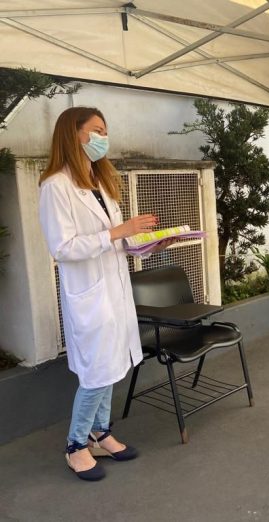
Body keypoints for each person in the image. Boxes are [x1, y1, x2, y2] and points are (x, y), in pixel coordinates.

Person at [39, 107, 164, 481]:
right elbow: (62, 248)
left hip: (115, 291)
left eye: (105, 131)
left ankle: (99, 433)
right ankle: (75, 444)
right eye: (96, 130)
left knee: (112, 366)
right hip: (90, 297)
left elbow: (115, 241)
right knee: (96, 373)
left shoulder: (99, 182)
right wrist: (118, 232)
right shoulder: (55, 186)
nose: (103, 138)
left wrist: (145, 244)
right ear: (73, 134)